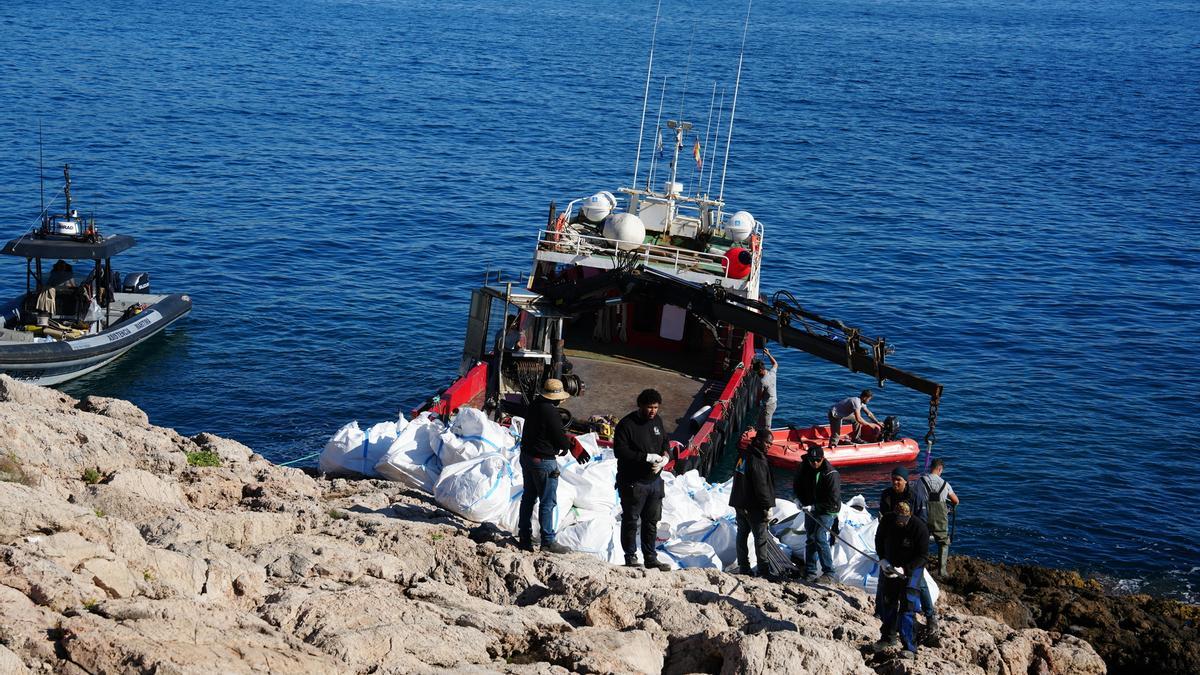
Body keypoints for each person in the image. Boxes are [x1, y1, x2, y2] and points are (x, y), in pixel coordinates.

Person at [875, 466, 937, 644]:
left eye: (899, 480)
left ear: (905, 481)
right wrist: (883, 556)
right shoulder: (886, 495)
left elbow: (922, 522)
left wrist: (911, 540)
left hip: (911, 548)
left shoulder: (915, 496)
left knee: (920, 582)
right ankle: (881, 612)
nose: (895, 482)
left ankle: (930, 615)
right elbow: (883, 519)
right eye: (893, 479)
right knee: (884, 579)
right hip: (891, 546)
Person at [614, 388, 671, 571]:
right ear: (640, 405)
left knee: (651, 521)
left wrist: (665, 458)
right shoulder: (627, 425)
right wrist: (646, 457)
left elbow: (665, 442)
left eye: (655, 407)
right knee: (631, 519)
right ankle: (630, 556)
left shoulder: (658, 421)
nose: (652, 411)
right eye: (649, 407)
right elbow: (620, 451)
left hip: (654, 481)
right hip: (633, 482)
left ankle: (650, 557)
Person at [517, 378, 574, 554]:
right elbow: (559, 437)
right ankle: (548, 541)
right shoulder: (550, 412)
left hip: (527, 456)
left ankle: (524, 536)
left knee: (528, 497)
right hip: (543, 461)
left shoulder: (534, 405)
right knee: (548, 502)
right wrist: (566, 445)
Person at [873, 500, 929, 659]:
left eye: (903, 519)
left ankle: (910, 647)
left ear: (909, 516)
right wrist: (882, 559)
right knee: (888, 602)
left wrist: (905, 569)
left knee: (907, 607)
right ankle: (887, 637)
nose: (900, 521)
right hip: (890, 566)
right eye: (897, 517)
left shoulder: (920, 528)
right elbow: (879, 539)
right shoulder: (887, 521)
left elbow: (923, 556)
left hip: (912, 570)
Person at [730, 427, 776, 577]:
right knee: (760, 537)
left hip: (739, 502)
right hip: (753, 506)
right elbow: (761, 486)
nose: (769, 446)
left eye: (771, 443)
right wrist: (767, 507)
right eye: (767, 443)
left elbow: (737, 476)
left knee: (742, 535)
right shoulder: (758, 460)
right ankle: (764, 569)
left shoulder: (743, 455)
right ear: (758, 440)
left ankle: (744, 567)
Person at [793, 444, 841, 582]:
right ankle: (810, 571)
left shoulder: (831, 474)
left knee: (819, 537)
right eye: (812, 460)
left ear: (822, 458)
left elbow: (833, 501)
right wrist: (797, 498)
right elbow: (797, 484)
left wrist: (813, 507)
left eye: (818, 460)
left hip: (827, 510)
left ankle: (829, 572)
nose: (815, 463)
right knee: (810, 538)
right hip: (810, 507)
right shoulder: (803, 468)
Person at [915, 458, 959, 578]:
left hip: (923, 515)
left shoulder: (920, 481)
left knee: (922, 541)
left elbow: (915, 496)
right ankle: (942, 571)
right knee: (943, 542)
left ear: (931, 467)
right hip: (940, 518)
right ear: (940, 469)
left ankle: (919, 568)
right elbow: (956, 501)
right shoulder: (945, 484)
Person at [752, 348, 778, 429]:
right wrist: (768, 354)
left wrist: (756, 405)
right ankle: (757, 432)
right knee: (760, 422)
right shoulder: (772, 373)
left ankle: (766, 440)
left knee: (767, 427)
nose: (756, 374)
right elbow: (775, 364)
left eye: (757, 372)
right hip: (774, 403)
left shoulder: (762, 381)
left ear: (760, 370)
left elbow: (759, 397)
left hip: (768, 406)